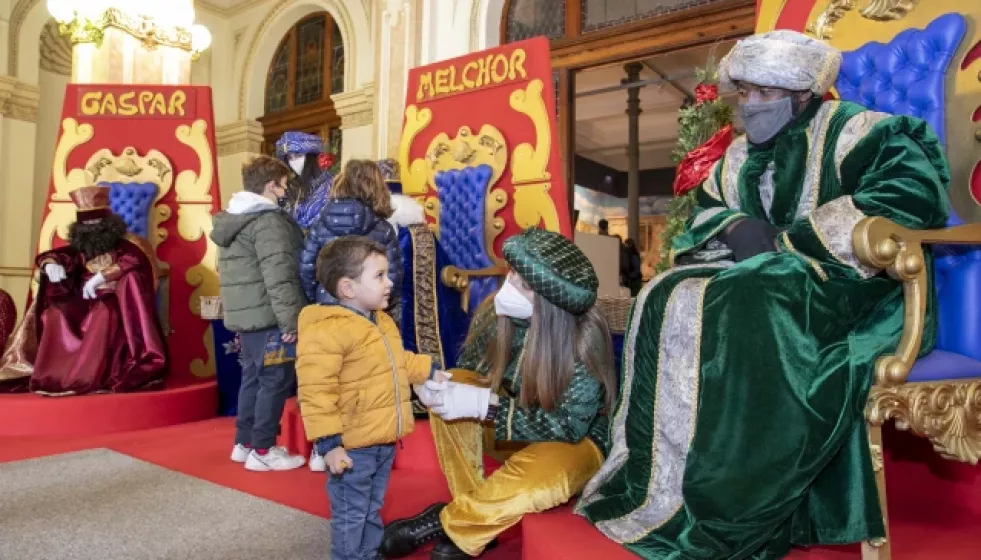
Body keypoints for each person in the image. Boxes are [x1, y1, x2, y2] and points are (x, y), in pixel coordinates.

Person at [577, 30, 950, 557]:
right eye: (744, 92)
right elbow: (706, 207)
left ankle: (729, 500)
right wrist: (733, 227)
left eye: (764, 94)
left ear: (802, 94)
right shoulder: (736, 154)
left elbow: (914, 197)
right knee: (661, 292)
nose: (750, 106)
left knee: (750, 297)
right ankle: (653, 482)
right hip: (771, 275)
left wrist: (789, 240)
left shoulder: (863, 132)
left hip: (862, 288)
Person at [380, 228, 617, 560]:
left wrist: (483, 406)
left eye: (523, 284)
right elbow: (468, 372)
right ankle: (477, 513)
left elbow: (570, 427)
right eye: (512, 273)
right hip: (512, 431)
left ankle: (454, 522)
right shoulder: (495, 312)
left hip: (575, 444)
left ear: (550, 301)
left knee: (544, 480)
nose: (508, 286)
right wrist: (436, 386)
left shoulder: (584, 337)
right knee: (457, 381)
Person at [296, 235, 450, 560]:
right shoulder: (327, 330)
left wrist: (428, 369)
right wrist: (329, 443)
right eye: (379, 276)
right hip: (352, 446)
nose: (389, 282)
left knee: (372, 506)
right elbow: (315, 391)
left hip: (382, 438)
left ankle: (368, 553)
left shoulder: (380, 321)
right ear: (348, 288)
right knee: (352, 514)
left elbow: (398, 361)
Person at [0, 185, 168, 395]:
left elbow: (136, 261)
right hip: (81, 297)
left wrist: (103, 276)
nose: (91, 228)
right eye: (86, 225)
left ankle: (88, 377)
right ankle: (55, 378)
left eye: (96, 223)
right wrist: (50, 264)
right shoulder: (82, 246)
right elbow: (63, 255)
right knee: (54, 313)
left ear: (108, 224)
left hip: (113, 296)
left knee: (103, 314)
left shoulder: (129, 243)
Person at [211, 155, 308, 472]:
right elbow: (279, 276)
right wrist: (291, 321)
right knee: (275, 380)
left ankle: (245, 442)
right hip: (269, 316)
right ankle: (264, 450)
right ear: (271, 185)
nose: (285, 192)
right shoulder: (267, 222)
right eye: (283, 185)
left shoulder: (233, 219)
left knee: (253, 378)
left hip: (248, 317)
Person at [299, 159, 403, 322]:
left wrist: (323, 294)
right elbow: (394, 276)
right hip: (370, 311)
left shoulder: (319, 225)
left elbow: (307, 269)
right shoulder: (383, 228)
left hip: (328, 309)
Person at [275, 131, 334, 230]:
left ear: (311, 157)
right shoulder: (289, 188)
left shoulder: (332, 185)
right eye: (290, 158)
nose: (294, 162)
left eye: (298, 156)